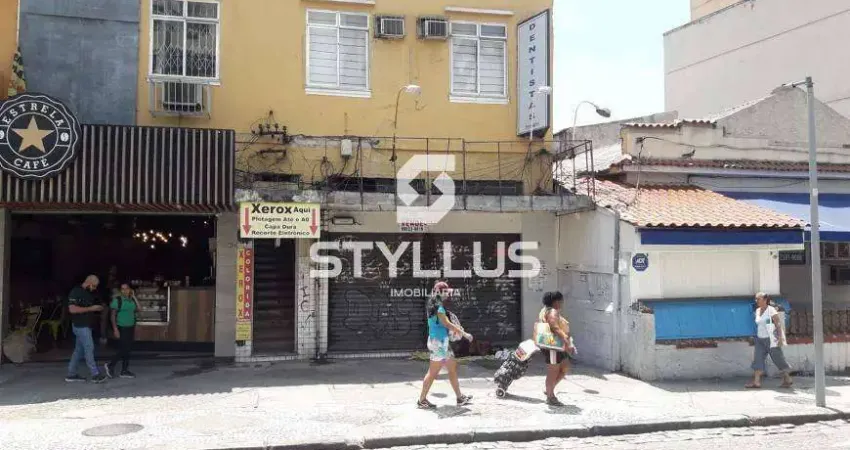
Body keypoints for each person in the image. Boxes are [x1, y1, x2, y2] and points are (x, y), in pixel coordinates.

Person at [417, 281, 474, 409]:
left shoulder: (433, 305)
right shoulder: (438, 308)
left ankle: (460, 398)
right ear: (440, 292)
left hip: (441, 343)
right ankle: (422, 400)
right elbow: (447, 324)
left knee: (452, 368)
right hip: (438, 344)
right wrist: (464, 334)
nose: (448, 295)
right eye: (446, 292)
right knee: (432, 373)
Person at [746, 292, 793, 389]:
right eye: (756, 299)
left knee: (778, 359)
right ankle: (756, 382)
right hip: (760, 339)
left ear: (764, 300)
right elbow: (759, 324)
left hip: (771, 339)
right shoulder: (758, 310)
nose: (756, 301)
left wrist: (780, 338)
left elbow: (778, 324)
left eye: (758, 299)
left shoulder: (771, 310)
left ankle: (787, 379)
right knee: (758, 359)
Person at [65, 275, 107, 383]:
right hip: (80, 326)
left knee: (79, 351)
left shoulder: (88, 293)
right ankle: (95, 374)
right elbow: (72, 309)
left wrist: (97, 308)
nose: (94, 289)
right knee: (89, 348)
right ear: (89, 282)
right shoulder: (76, 291)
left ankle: (71, 374)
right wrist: (91, 308)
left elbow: (87, 307)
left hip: (86, 325)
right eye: (94, 286)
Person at [536, 291, 574, 406]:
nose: (561, 303)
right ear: (556, 301)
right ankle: (550, 397)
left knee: (564, 367)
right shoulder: (552, 312)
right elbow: (554, 327)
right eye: (560, 301)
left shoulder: (546, 310)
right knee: (553, 371)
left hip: (557, 346)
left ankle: (549, 389)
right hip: (553, 346)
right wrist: (566, 340)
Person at [104, 283, 138, 379]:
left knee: (128, 349)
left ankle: (124, 370)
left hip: (131, 327)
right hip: (122, 327)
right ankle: (111, 364)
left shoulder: (131, 300)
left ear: (130, 289)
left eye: (126, 289)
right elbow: (112, 316)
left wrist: (134, 297)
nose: (124, 291)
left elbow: (139, 309)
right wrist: (115, 329)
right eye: (122, 289)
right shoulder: (117, 300)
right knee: (124, 349)